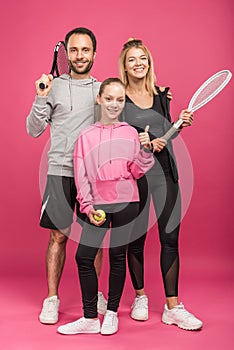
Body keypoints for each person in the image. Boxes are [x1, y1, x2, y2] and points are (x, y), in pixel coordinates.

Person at [57, 78, 155, 335]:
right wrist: (88, 208)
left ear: (124, 103)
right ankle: (90, 317)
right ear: (99, 99)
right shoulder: (86, 136)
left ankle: (111, 313)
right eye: (109, 98)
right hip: (97, 205)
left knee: (117, 257)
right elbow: (81, 175)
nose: (114, 104)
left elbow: (135, 171)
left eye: (120, 99)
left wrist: (145, 152)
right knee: (84, 257)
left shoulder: (131, 132)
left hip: (127, 202)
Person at [118, 39, 203, 331]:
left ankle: (173, 307)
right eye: (132, 59)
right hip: (133, 177)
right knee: (135, 240)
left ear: (149, 62)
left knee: (170, 238)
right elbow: (111, 135)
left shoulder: (162, 94)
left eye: (142, 58)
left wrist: (179, 124)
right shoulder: (119, 97)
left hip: (165, 172)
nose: (138, 63)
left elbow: (166, 137)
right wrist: (137, 140)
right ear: (125, 66)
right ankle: (140, 296)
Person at [26, 27, 107, 325]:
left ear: (95, 54)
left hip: (94, 176)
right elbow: (33, 130)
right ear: (67, 54)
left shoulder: (103, 89)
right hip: (59, 171)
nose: (80, 55)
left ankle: (94, 294)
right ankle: (52, 299)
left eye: (86, 50)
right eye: (74, 50)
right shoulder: (53, 86)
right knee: (58, 236)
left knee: (93, 239)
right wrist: (39, 97)